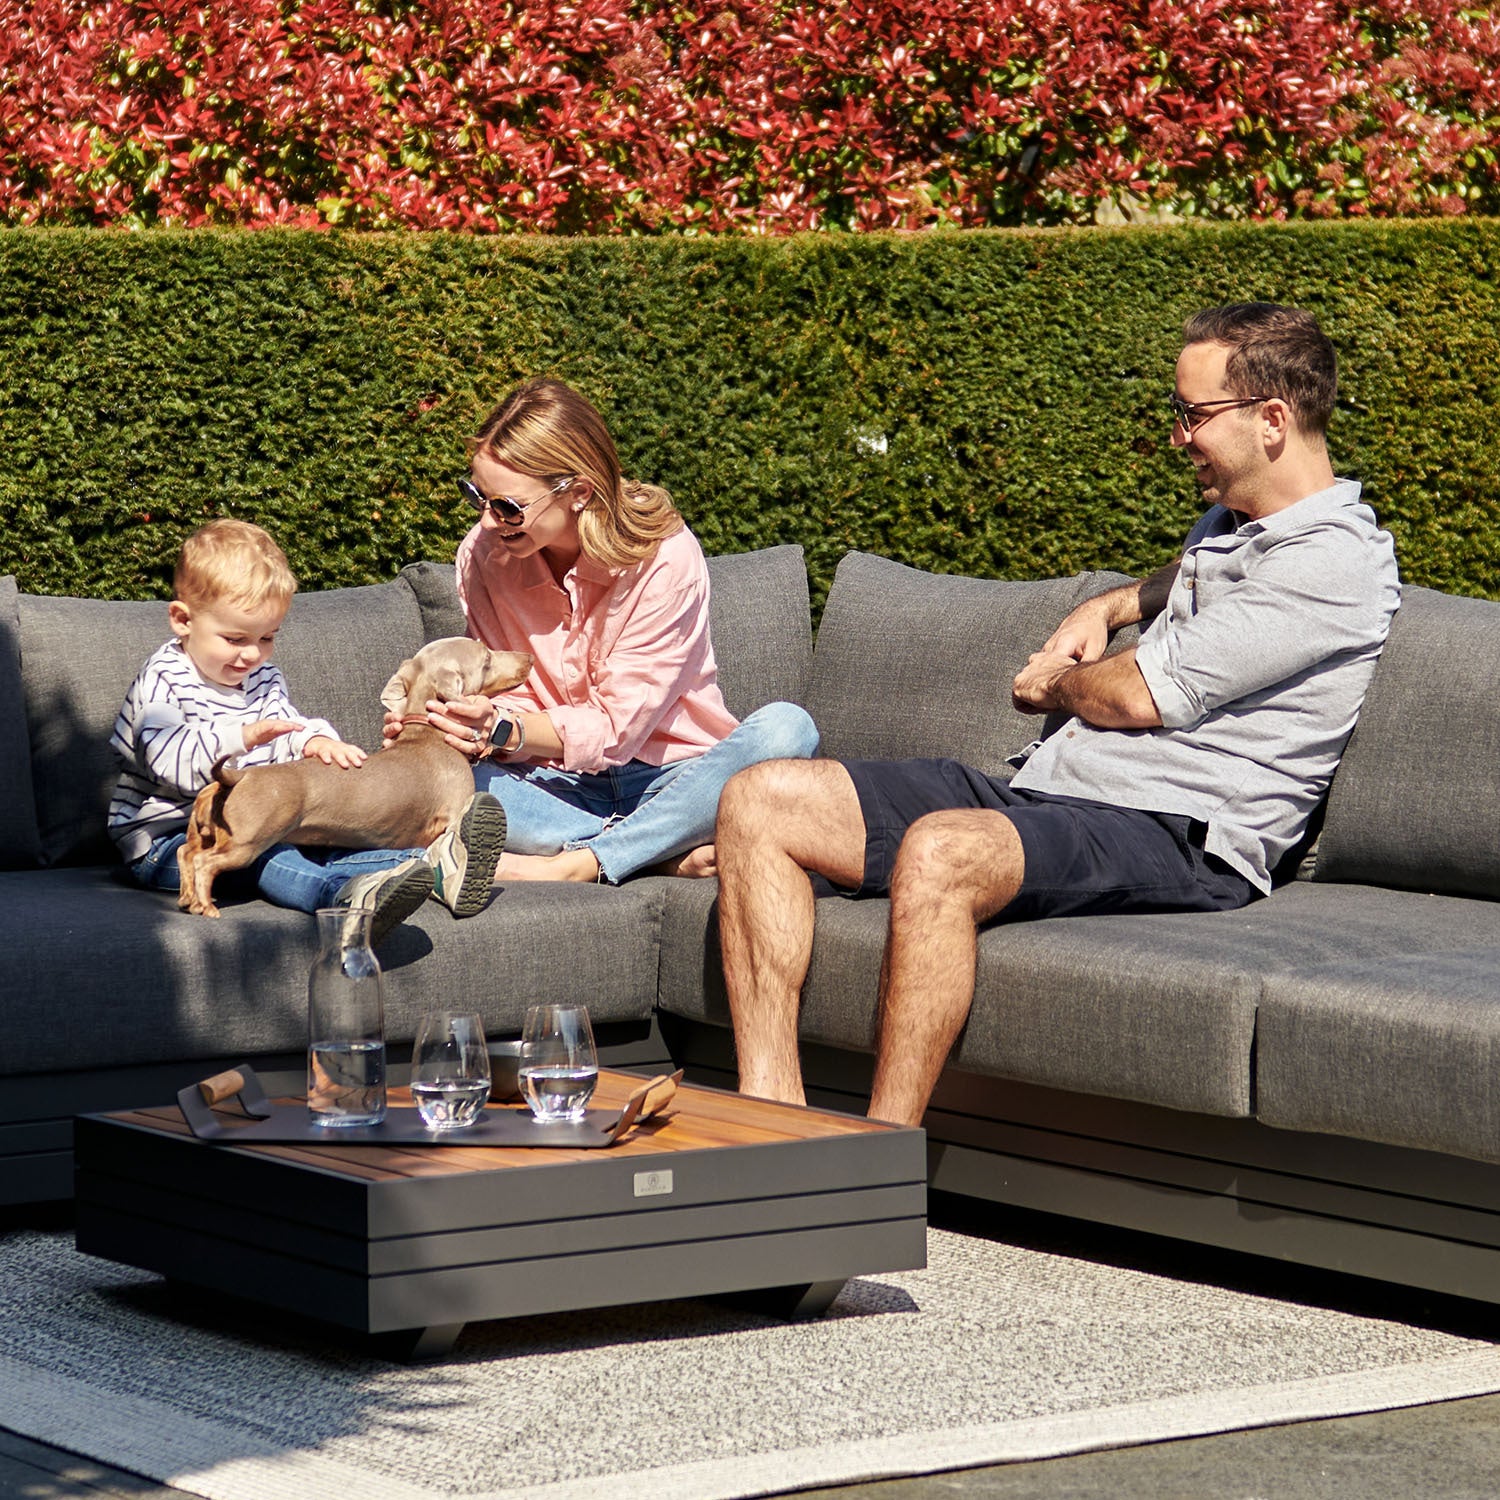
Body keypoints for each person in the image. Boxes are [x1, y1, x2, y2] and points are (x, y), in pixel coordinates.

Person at [715, 303, 1402, 1127]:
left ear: (1273, 420)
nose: (1178, 436)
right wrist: (1110, 606)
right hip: (1061, 797)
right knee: (759, 798)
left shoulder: (1331, 563)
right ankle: (769, 1125)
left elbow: (1135, 696)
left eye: (1193, 415)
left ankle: (875, 1158)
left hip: (1179, 829)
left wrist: (1054, 684)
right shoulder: (1241, 526)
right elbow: (1188, 579)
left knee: (939, 851)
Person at [399, 378, 819, 885]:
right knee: (433, 781)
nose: (488, 522)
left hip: (675, 779)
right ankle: (654, 850)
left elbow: (616, 731)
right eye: (477, 496)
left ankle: (584, 862)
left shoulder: (665, 557)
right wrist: (458, 728)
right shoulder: (484, 557)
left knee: (788, 730)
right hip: (552, 784)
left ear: (578, 492)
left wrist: (501, 730)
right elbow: (514, 703)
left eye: (507, 507)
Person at [109, 519, 503, 943]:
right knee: (269, 857)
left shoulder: (262, 676)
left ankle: (429, 866)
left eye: (266, 638)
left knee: (327, 842)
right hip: (164, 837)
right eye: (235, 638)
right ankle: (340, 896)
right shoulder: (163, 682)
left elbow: (287, 726)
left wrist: (315, 740)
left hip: (258, 819)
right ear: (182, 620)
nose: (250, 655)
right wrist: (240, 738)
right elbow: (171, 763)